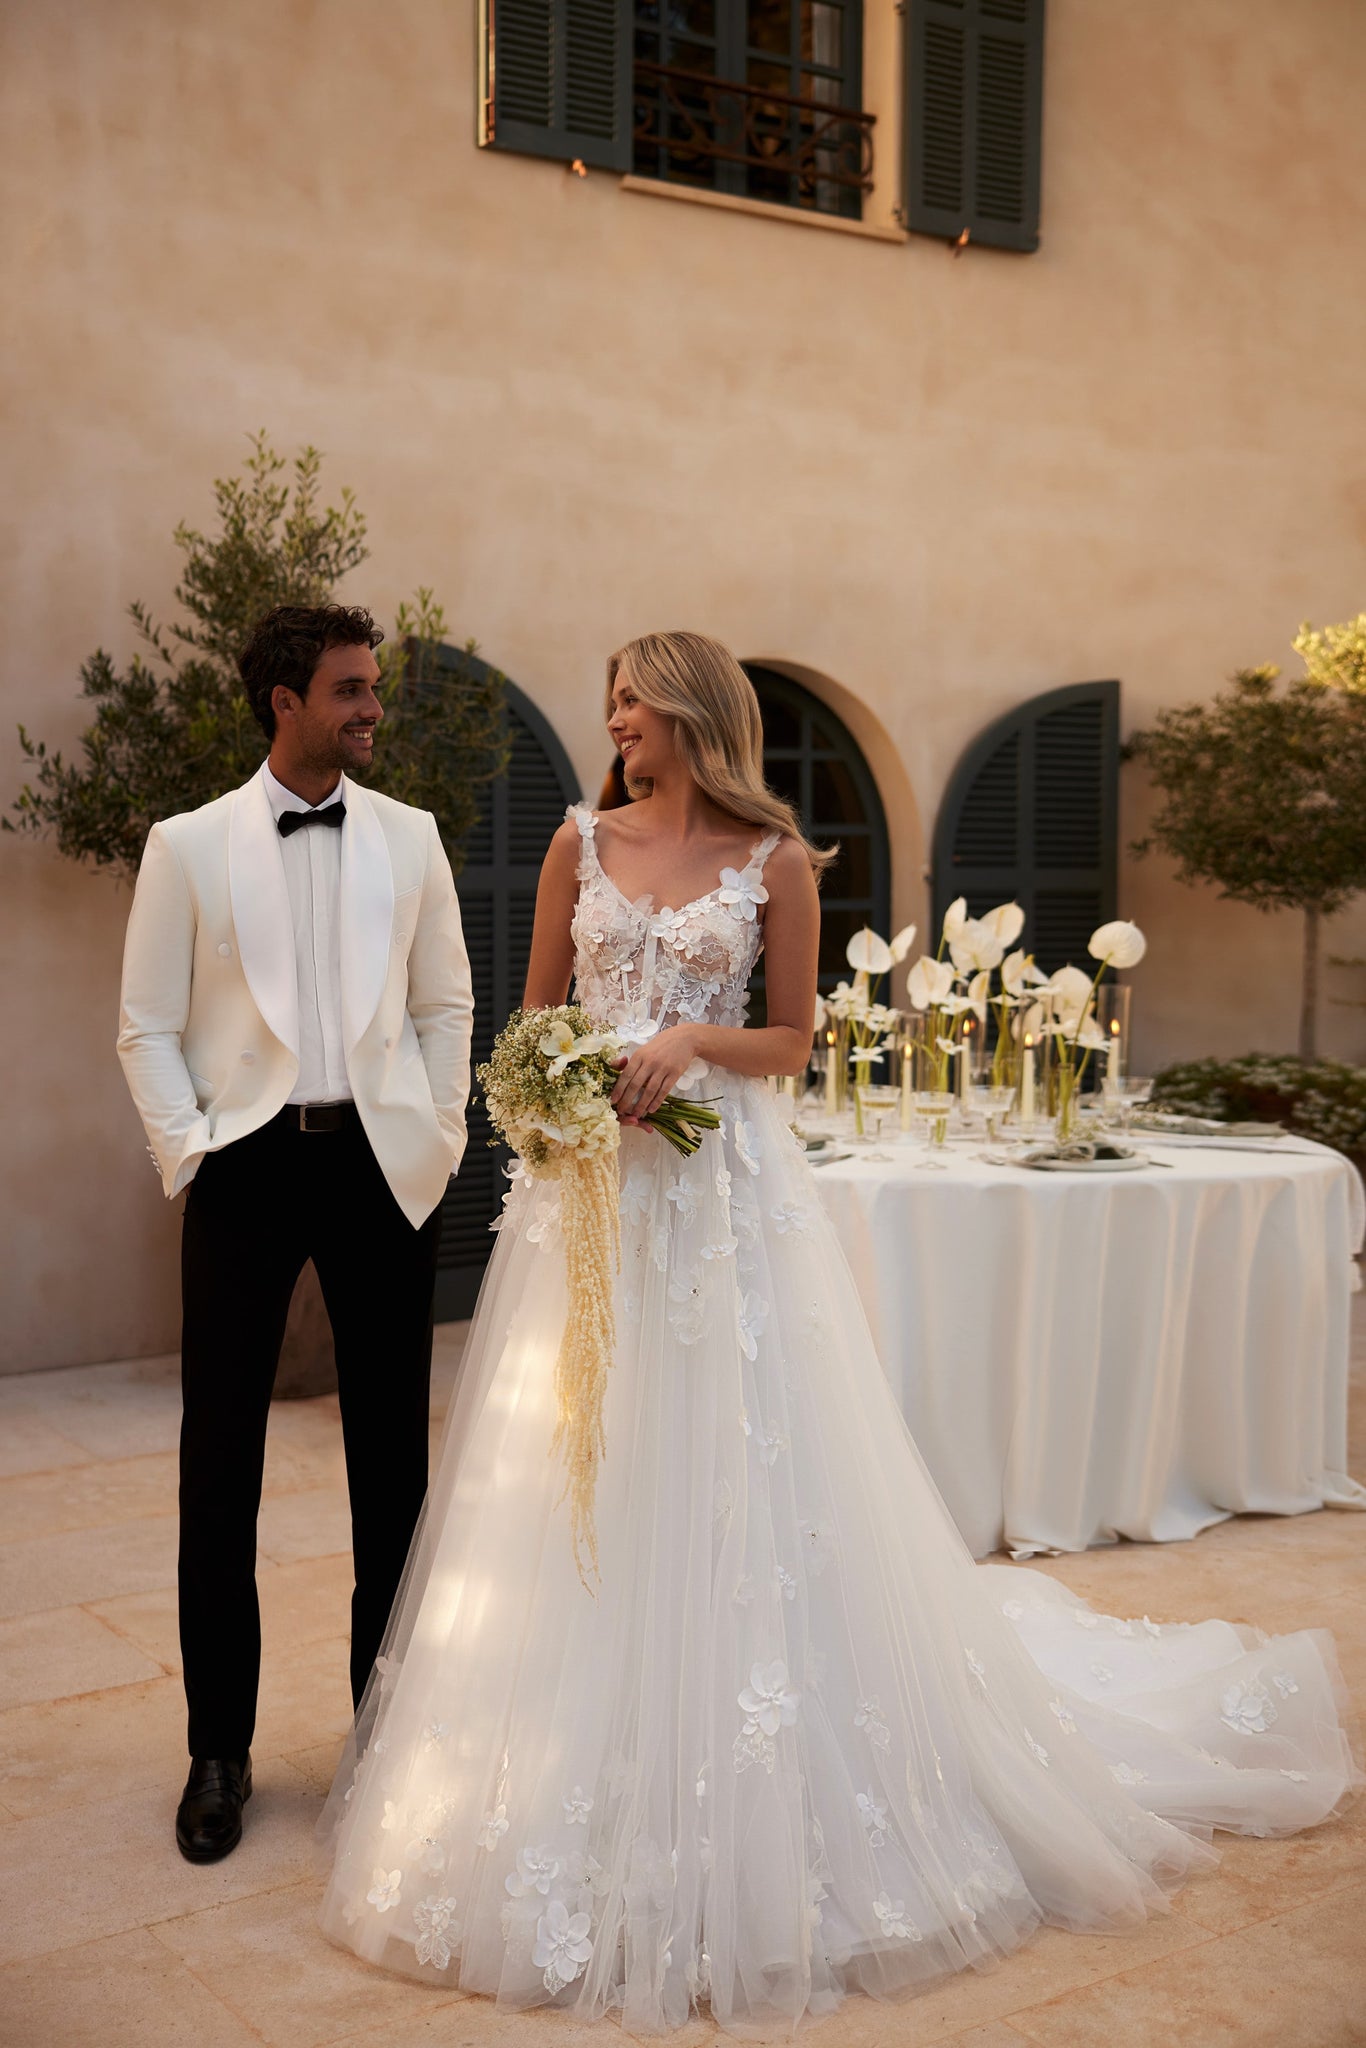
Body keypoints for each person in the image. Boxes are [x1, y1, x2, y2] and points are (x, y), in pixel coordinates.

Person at [319, 631, 1356, 2035]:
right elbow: (535, 1016)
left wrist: (689, 1042)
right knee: (574, 1459)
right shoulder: (576, 841)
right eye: (610, 700)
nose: (613, 719)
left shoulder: (775, 860)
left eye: (632, 699)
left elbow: (791, 1040)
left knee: (731, 1461)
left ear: (689, 710)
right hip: (591, 1200)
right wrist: (560, 1087)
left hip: (718, 1199)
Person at [117, 602, 473, 1865]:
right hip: (246, 1167)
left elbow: (445, 1003)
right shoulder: (187, 844)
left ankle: (386, 1736)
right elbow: (146, 1024)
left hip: (381, 1166)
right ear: (286, 701)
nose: (373, 707)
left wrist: (436, 1132)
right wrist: (193, 1151)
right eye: (351, 689)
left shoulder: (411, 835)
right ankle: (219, 1751)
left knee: (393, 1466)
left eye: (371, 686)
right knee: (219, 1466)